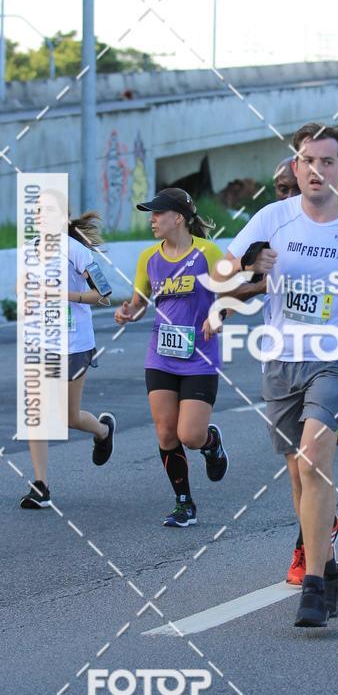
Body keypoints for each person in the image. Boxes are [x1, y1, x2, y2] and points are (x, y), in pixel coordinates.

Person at [220, 122, 338, 628]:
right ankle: (330, 565)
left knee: (313, 458)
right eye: (308, 160)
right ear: (295, 166)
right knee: (299, 473)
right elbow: (222, 279)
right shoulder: (271, 218)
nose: (316, 169)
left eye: (327, 162)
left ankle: (315, 584)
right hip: (281, 359)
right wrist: (249, 271)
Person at [114, 188, 228, 527]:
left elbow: (230, 295)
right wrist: (128, 312)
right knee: (166, 433)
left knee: (190, 435)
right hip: (160, 355)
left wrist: (218, 314)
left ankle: (211, 444)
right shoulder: (149, 257)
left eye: (157, 214)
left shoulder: (208, 253)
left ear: (178, 217)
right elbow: (139, 300)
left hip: (200, 357)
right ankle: (184, 503)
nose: (152, 220)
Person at [20, 195, 116, 509]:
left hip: (74, 344)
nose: (41, 216)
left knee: (68, 417)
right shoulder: (30, 251)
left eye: (48, 210)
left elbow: (104, 293)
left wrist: (67, 294)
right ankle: (41, 486)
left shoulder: (75, 250)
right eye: (37, 211)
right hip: (41, 342)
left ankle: (103, 431)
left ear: (64, 217)